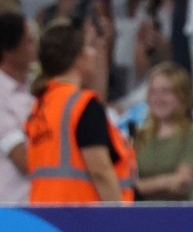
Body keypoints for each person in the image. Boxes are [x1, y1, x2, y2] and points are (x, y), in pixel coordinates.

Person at [25, 21, 134, 204]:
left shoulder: (40, 106)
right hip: (82, 216)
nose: (93, 54)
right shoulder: (83, 105)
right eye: (89, 48)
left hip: (45, 214)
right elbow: (100, 172)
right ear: (78, 58)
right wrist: (119, 218)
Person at [133, 62, 193, 201]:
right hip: (142, 215)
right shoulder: (140, 135)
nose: (158, 98)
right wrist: (167, 181)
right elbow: (128, 183)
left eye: (166, 91)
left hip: (181, 215)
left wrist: (143, 186)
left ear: (182, 95)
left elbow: (182, 181)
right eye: (153, 92)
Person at [0, 12, 35, 203]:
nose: (35, 45)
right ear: (9, 50)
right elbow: (24, 160)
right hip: (9, 211)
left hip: (39, 209)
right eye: (29, 41)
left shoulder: (36, 88)